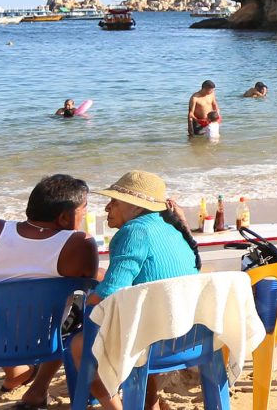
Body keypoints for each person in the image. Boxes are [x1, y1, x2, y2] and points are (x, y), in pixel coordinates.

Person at [0, 175, 98, 406]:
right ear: (64, 217)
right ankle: (38, 389)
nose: (85, 214)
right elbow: (87, 285)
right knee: (78, 313)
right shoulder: (80, 243)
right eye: (84, 209)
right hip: (44, 338)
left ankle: (15, 372)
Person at [70, 171, 200, 410]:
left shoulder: (133, 232)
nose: (107, 208)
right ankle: (149, 403)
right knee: (140, 319)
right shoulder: (172, 228)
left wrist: (83, 301)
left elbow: (111, 290)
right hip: (188, 334)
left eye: (114, 202)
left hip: (155, 339)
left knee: (78, 345)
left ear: (135, 207)